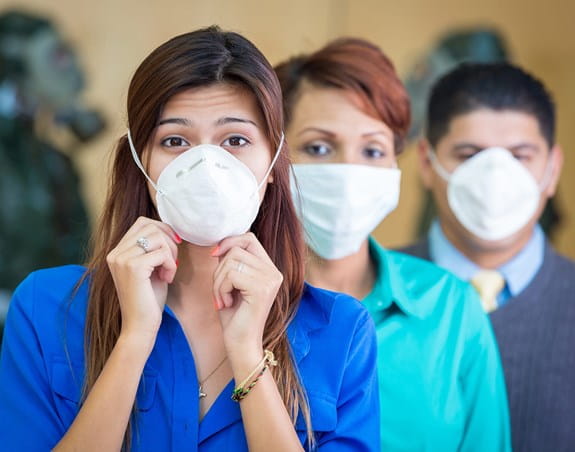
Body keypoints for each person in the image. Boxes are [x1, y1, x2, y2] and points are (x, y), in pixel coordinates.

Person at [0, 27, 380, 451]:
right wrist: (134, 340)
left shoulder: (342, 330)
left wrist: (247, 352)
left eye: (235, 140)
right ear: (141, 163)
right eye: (175, 141)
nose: (205, 164)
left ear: (273, 162)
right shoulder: (43, 307)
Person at [275, 38, 511, 451]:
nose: (348, 169)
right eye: (318, 147)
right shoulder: (237, 308)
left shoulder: (451, 309)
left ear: (394, 164)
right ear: (274, 156)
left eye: (373, 149)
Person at [401, 61, 575, 451]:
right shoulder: (366, 293)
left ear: (552, 168)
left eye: (520, 155)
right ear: (427, 163)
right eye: (469, 154)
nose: (496, 177)